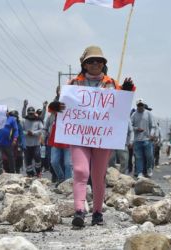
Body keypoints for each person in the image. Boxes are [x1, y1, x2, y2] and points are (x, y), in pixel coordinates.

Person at [49, 46, 135, 227]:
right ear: (84, 65)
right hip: (78, 135)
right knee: (80, 171)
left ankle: (97, 212)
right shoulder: (73, 84)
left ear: (104, 64)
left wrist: (127, 91)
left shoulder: (112, 83)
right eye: (91, 61)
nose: (95, 63)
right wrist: (55, 106)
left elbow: (121, 107)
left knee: (98, 174)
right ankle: (79, 210)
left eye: (99, 61)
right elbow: (60, 107)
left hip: (103, 137)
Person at [131, 98, 156, 178]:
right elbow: (130, 126)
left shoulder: (148, 114)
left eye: (141, 105)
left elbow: (153, 126)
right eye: (138, 105)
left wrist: (152, 134)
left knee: (149, 156)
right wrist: (137, 129)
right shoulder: (134, 114)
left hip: (147, 139)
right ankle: (140, 172)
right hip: (137, 140)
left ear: (144, 105)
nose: (140, 106)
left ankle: (149, 169)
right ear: (137, 106)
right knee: (138, 157)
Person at [22, 106, 43, 177]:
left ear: (34, 113)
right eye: (29, 113)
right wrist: (26, 133)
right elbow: (21, 131)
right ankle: (30, 173)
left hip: (36, 143)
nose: (31, 115)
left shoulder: (38, 120)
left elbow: (41, 130)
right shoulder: (24, 120)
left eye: (32, 113)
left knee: (37, 157)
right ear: (27, 113)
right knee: (28, 159)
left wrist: (33, 133)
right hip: (27, 144)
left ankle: (38, 171)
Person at [0, 109, 18, 173]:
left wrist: (15, 139)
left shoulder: (12, 119)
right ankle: (0, 172)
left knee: (11, 157)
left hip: (8, 143)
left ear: (8, 112)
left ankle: (12, 171)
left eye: (6, 111)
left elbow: (15, 130)